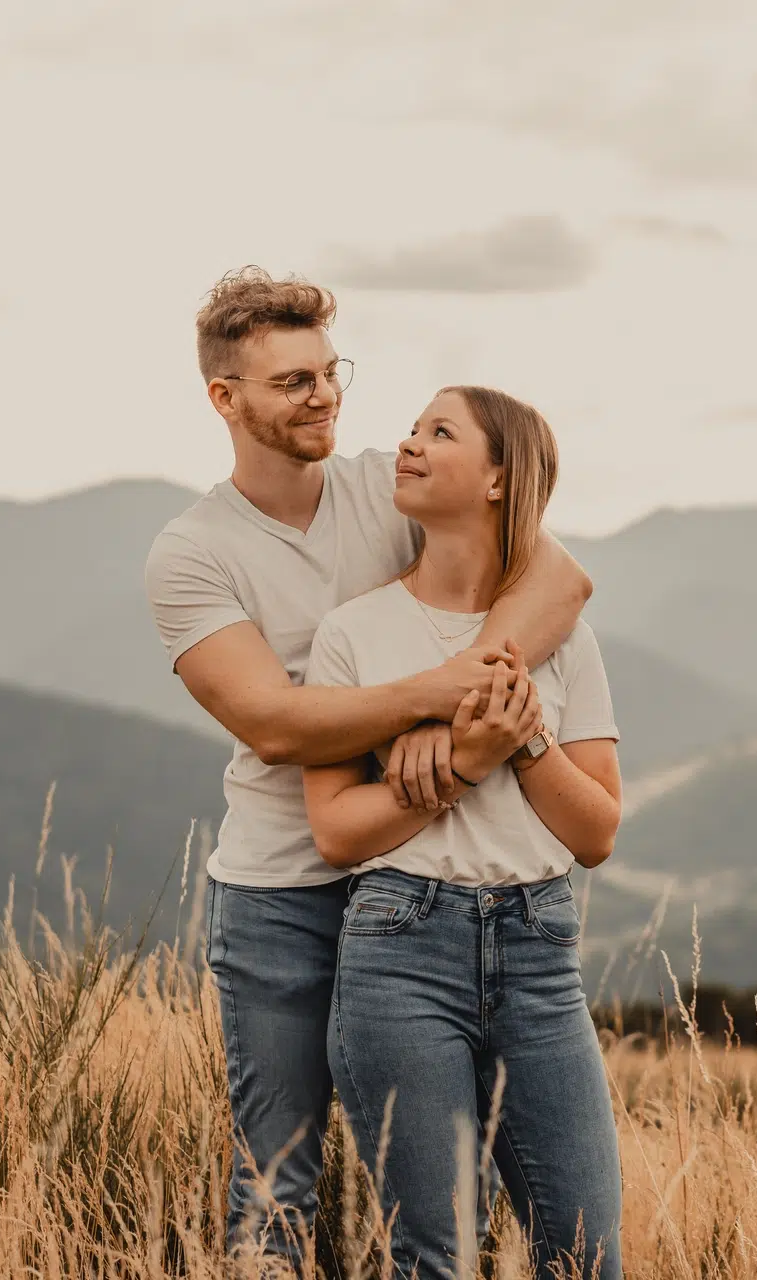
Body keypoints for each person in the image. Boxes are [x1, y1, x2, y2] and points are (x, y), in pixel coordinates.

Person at [143, 268, 592, 1265]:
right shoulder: (192, 552)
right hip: (283, 898)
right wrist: (441, 701)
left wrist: (473, 702)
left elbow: (558, 576)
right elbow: (272, 721)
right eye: (291, 380)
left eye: (329, 370)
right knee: (280, 1179)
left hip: (417, 890)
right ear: (227, 399)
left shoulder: (386, 492)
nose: (324, 395)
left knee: (447, 1196)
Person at [302, 385, 623, 1280]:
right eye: (411, 428)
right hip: (399, 949)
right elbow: (335, 832)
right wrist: (461, 767)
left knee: (587, 1256)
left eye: (438, 432)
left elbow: (595, 831)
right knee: (434, 1257)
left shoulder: (566, 641)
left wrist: (520, 740)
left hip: (540, 949)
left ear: (496, 479)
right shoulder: (352, 635)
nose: (406, 443)